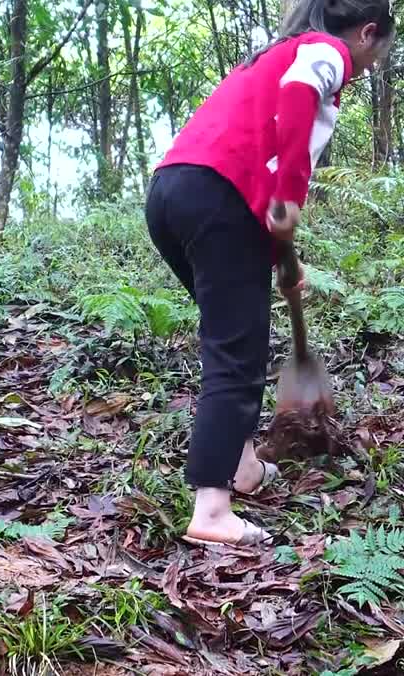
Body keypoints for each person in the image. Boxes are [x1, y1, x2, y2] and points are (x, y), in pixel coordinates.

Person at [144, 0, 395, 547]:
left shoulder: (273, 55)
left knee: (238, 335)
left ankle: (245, 468)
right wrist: (289, 199)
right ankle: (211, 510)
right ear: (367, 32)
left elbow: (257, 163)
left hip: (172, 194)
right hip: (217, 199)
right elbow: (299, 100)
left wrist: (285, 257)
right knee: (237, 354)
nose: (373, 64)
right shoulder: (322, 53)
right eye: (378, 53)